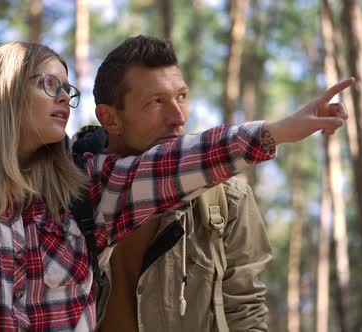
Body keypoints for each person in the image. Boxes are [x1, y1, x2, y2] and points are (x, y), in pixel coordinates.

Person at [0, 41, 351, 331]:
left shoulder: (87, 191)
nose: (66, 98)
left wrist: (279, 130)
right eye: (50, 85)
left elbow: (177, 164)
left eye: (69, 89)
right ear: (4, 92)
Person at [87, 35, 272, 332]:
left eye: (181, 97)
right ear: (110, 118)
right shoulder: (69, 192)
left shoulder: (227, 198)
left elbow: (246, 310)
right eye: (156, 101)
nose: (178, 118)